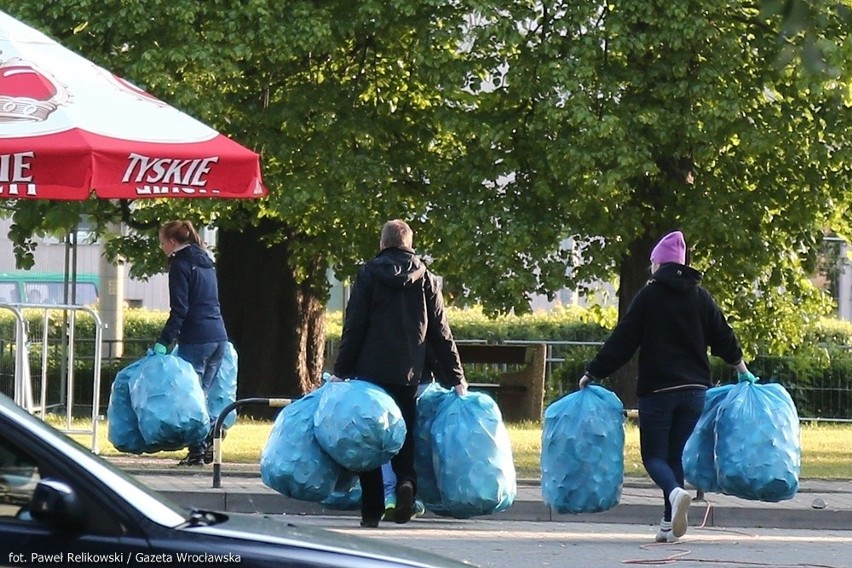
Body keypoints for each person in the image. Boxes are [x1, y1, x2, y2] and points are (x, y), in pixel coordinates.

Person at [578, 230, 756, 543]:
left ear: (659, 263)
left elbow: (624, 339)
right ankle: (667, 524)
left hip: (658, 391)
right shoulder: (701, 296)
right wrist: (742, 369)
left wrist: (594, 372)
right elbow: (723, 337)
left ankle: (674, 494)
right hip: (694, 392)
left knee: (653, 458)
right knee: (674, 457)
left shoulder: (649, 294)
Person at [332, 219, 468, 528]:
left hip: (370, 373)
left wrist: (341, 370)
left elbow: (355, 325)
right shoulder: (427, 279)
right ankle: (406, 482)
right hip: (408, 373)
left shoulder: (368, 274)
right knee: (403, 434)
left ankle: (371, 510)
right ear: (409, 244)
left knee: (369, 438)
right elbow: (440, 333)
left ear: (383, 244)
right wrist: (456, 377)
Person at [154, 220, 229, 466]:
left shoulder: (180, 264)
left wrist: (164, 341)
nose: (162, 246)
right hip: (218, 335)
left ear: (172, 242)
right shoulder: (206, 260)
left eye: (162, 242)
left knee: (192, 397)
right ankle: (209, 439)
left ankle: (198, 450)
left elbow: (180, 308)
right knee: (203, 394)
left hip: (196, 338)